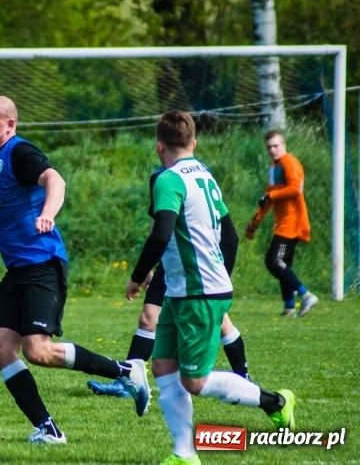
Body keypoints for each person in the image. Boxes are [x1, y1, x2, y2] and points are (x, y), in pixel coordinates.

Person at [0, 96, 150, 445]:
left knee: (38, 351)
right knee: (1, 349)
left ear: (10, 125)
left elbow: (55, 180)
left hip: (42, 265)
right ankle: (48, 429)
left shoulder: (21, 152)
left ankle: (125, 370)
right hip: (17, 271)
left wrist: (48, 213)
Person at [126, 110, 294, 465]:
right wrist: (220, 277)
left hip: (197, 293)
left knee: (195, 382)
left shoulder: (168, 179)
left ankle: (275, 401)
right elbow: (229, 236)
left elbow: (161, 232)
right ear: (194, 142)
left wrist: (138, 276)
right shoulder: (204, 174)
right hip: (184, 291)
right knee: (163, 368)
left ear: (159, 147)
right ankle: (184, 455)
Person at [87, 166, 249, 398]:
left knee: (222, 321)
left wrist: (221, 276)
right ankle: (127, 382)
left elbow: (228, 234)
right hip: (169, 264)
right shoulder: (159, 178)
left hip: (195, 265)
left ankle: (244, 381)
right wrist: (151, 266)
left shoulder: (197, 174)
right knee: (147, 319)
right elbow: (159, 226)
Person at [245, 130, 318, 317]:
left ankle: (306, 295)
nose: (272, 149)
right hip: (283, 223)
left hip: (293, 223)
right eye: (269, 146)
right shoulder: (273, 167)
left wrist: (271, 195)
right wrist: (255, 223)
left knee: (274, 261)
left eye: (276, 145)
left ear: (284, 146)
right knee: (283, 265)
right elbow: (267, 198)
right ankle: (289, 307)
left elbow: (295, 188)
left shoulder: (289, 162)